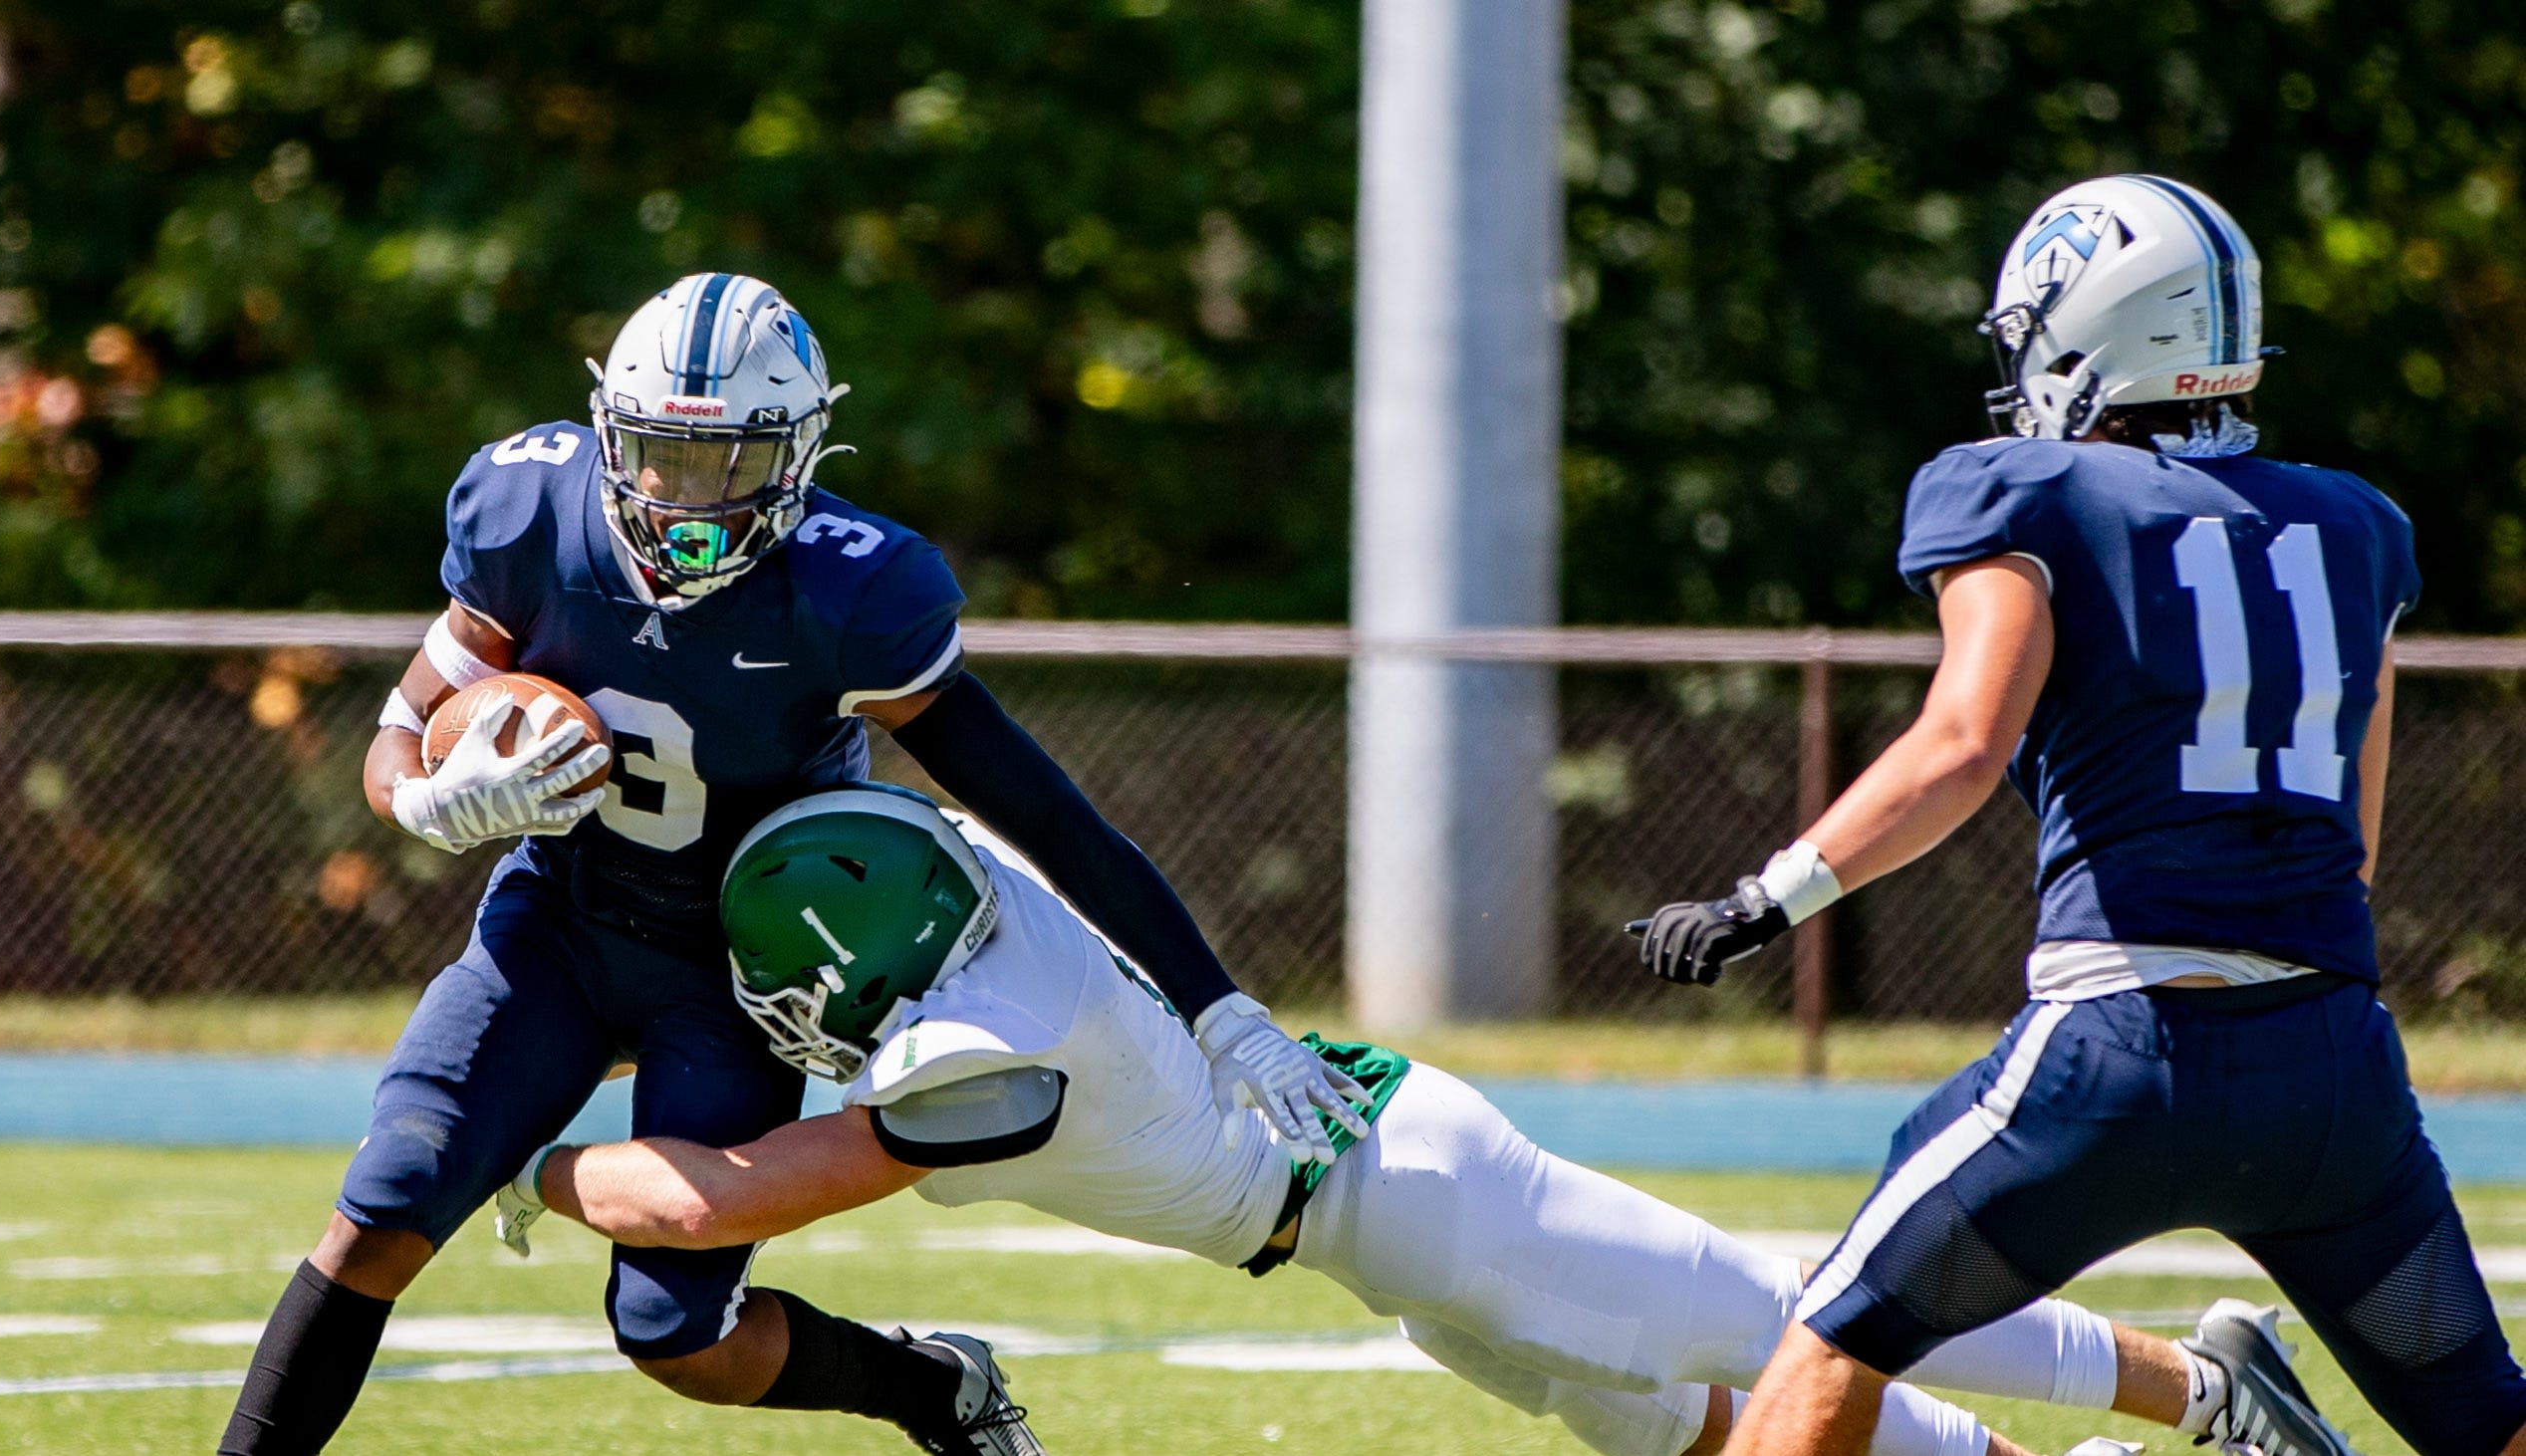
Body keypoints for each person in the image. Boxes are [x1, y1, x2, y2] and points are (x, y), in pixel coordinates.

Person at [216, 274, 1368, 1456]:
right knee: (387, 1205)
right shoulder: (525, 509)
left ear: (803, 451)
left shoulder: (852, 588)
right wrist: (423, 800)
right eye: (661, 455)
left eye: (730, 463)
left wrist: (1219, 1009)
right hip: (559, 920)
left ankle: (928, 1387)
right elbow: (398, 732)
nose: (687, 499)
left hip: (741, 966)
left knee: (677, 1337)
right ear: (613, 430)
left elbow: (1047, 814)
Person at [499, 783, 2321, 1456]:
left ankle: (2196, 1383)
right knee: (1655, 1419)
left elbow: (714, 1201)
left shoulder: (959, 1069)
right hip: (1376, 1209)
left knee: (1805, 1327)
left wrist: (533, 1154)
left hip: (1413, 1198)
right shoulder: (981, 885)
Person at [1630, 175, 2526, 1456]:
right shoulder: (2355, 527)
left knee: (1833, 1341)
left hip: (2116, 1060)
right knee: (2483, 1419)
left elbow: (1958, 741)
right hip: (2332, 1081)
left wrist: (1766, 897)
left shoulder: (2026, 493)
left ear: (2090, 328)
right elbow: (2356, 845)